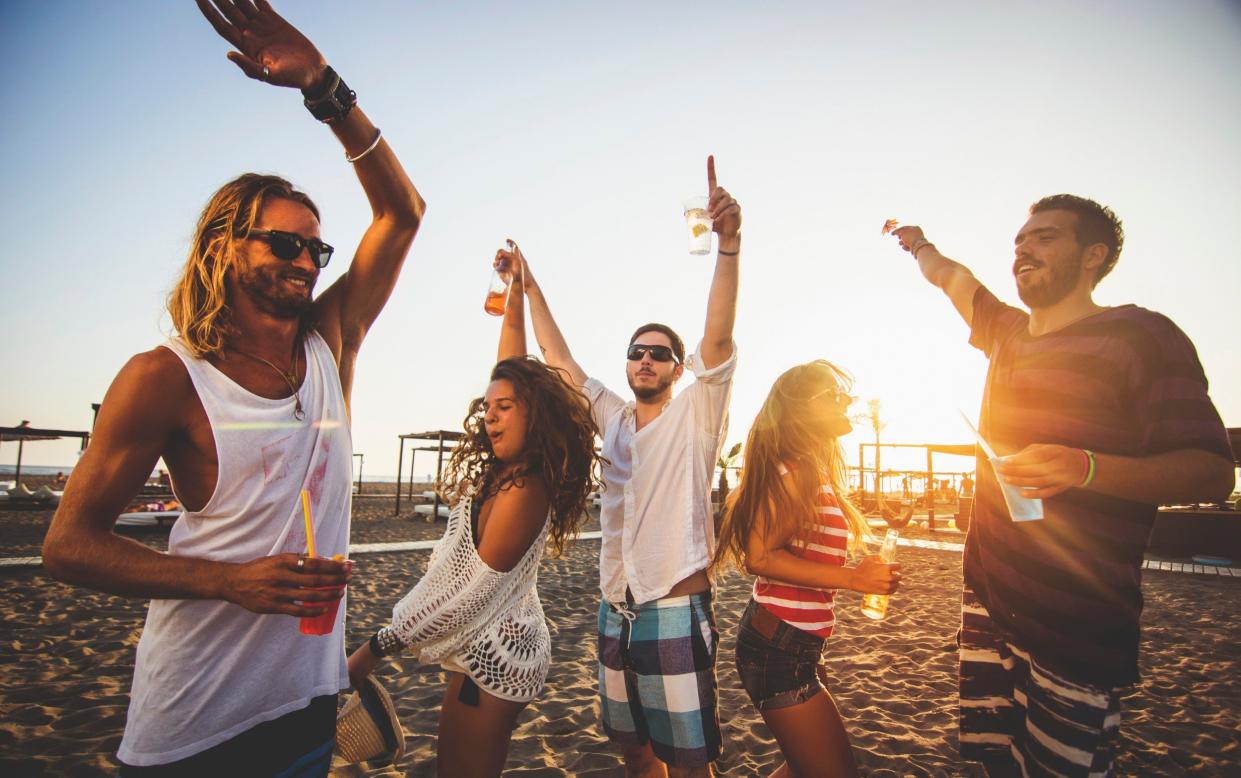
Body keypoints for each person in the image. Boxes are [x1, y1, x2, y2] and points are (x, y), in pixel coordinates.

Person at [41, 2, 426, 773]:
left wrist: (324, 87)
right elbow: (67, 546)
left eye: (316, 249)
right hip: (196, 718)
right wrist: (228, 582)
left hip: (308, 698)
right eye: (283, 241)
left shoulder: (329, 343)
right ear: (223, 247)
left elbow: (402, 213)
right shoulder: (165, 378)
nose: (304, 260)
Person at [891, 196, 1234, 777]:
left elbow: (1212, 470)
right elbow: (951, 277)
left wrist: (1086, 467)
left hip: (1077, 625)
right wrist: (917, 241)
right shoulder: (1005, 331)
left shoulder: (1139, 336)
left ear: (1094, 256)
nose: (1023, 249)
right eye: (1019, 242)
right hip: (989, 603)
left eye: (1045, 238)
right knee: (989, 764)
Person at [345, 246, 603, 776]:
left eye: (504, 408)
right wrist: (516, 289)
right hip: (479, 642)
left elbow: (465, 596)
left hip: (502, 651)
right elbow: (510, 365)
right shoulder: (504, 466)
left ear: (535, 412)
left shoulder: (527, 488)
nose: (489, 417)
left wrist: (375, 648)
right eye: (487, 407)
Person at [520, 157, 741, 777]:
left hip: (673, 606)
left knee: (690, 762)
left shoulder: (697, 413)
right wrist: (531, 284)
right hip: (614, 606)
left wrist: (730, 247)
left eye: (660, 354)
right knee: (634, 750)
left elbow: (719, 340)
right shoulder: (613, 417)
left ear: (677, 367)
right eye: (636, 353)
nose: (646, 360)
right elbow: (557, 357)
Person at [714, 360, 901, 778]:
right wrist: (854, 579)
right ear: (804, 408)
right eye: (834, 395)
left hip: (794, 644)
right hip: (778, 647)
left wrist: (862, 573)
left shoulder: (809, 471)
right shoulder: (796, 471)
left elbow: (797, 554)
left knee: (804, 768)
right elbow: (760, 556)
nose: (846, 402)